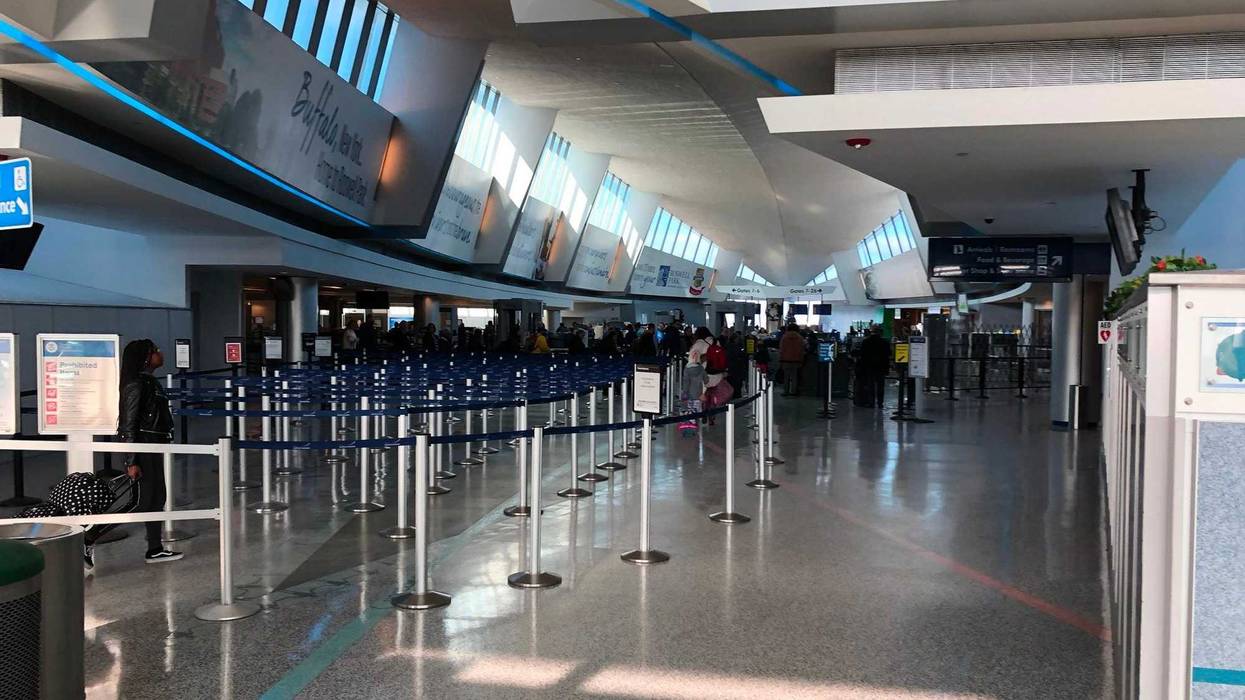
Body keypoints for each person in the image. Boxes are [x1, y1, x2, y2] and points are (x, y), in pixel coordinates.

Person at [84, 339, 183, 570]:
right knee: (138, 502)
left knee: (157, 498)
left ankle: (155, 549)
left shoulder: (149, 381)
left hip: (154, 446)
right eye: (155, 351)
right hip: (144, 447)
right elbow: (128, 425)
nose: (160, 353)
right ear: (146, 357)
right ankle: (88, 538)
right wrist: (131, 460)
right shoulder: (136, 384)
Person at [858, 326, 892, 408]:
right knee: (881, 385)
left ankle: (871, 403)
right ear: (880, 332)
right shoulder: (885, 342)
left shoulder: (866, 342)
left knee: (871, 385)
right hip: (881, 367)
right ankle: (880, 403)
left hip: (870, 367)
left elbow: (862, 355)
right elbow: (889, 354)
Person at [779, 323, 807, 396]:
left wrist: (781, 359)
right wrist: (801, 359)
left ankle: (786, 391)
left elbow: (782, 349)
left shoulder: (784, 337)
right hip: (797, 360)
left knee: (786, 377)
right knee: (795, 377)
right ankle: (793, 391)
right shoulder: (800, 338)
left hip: (786, 360)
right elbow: (802, 349)